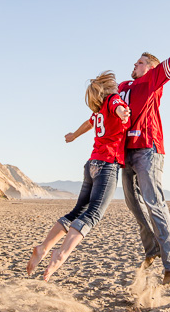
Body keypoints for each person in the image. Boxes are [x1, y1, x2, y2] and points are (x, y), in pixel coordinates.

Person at [65, 21, 170, 287]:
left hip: (148, 149)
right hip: (125, 154)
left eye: (139, 62)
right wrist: (74, 135)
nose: (134, 65)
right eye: (136, 63)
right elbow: (99, 115)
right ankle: (152, 249)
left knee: (154, 202)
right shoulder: (121, 87)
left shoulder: (151, 80)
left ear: (150, 66)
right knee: (132, 202)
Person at [27, 71, 130, 281]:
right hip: (107, 165)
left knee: (77, 210)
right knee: (93, 214)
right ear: (109, 87)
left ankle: (44, 247)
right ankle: (61, 254)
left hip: (91, 164)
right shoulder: (112, 100)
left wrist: (74, 135)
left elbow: (88, 123)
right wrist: (122, 112)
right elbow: (117, 105)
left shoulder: (100, 108)